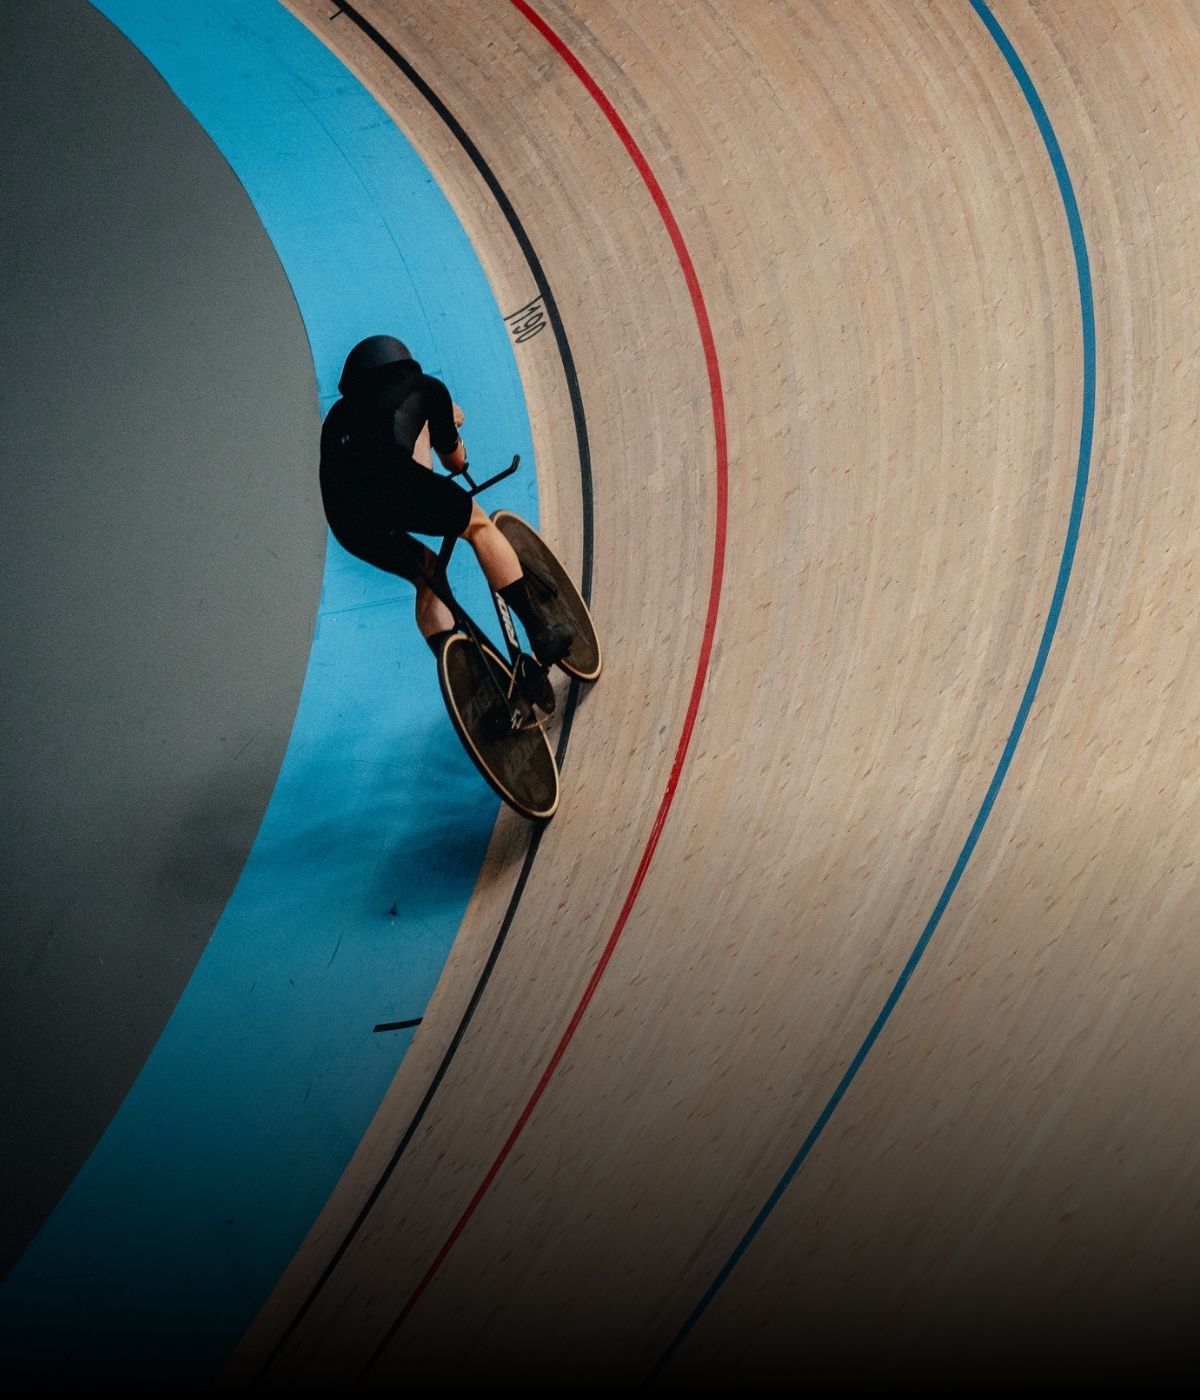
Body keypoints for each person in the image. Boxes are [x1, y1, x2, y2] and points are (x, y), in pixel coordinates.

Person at [319, 335, 571, 666]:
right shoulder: (425, 388)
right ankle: (542, 633)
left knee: (427, 576)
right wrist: (449, 427)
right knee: (478, 526)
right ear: (404, 365)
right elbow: (453, 463)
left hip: (346, 519)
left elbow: (384, 453)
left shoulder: (337, 416)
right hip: (394, 485)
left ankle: (469, 677)